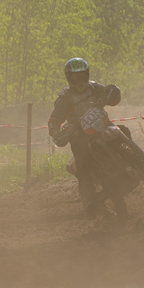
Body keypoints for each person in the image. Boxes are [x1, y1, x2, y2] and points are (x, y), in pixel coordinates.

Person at [48, 57, 123, 217]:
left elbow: (112, 96)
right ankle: (90, 203)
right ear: (69, 77)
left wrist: (112, 93)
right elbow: (55, 119)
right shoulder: (65, 97)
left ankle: (135, 162)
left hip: (102, 125)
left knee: (124, 131)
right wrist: (56, 132)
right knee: (83, 169)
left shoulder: (95, 87)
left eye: (82, 75)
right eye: (75, 76)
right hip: (79, 137)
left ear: (87, 74)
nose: (79, 79)